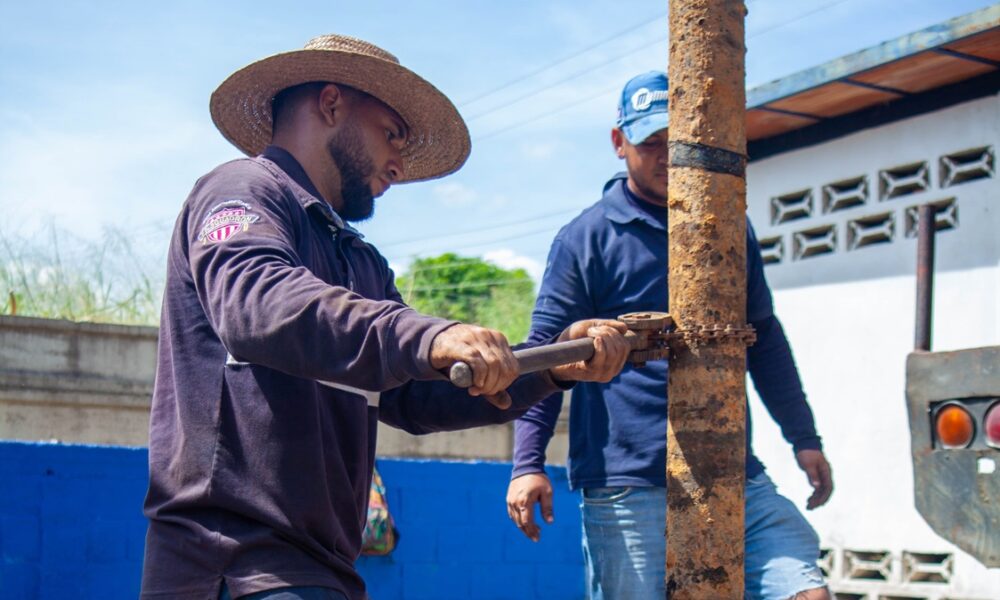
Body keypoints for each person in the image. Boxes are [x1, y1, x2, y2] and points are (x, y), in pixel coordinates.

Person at [140, 35, 632, 600]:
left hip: (320, 568)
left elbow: (415, 394)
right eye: (392, 135)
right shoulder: (242, 190)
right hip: (232, 561)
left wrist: (552, 369)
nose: (398, 165)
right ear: (331, 105)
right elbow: (258, 301)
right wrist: (430, 335)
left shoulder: (361, 262)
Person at [505, 71, 835, 600]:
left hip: (733, 472)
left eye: (676, 142)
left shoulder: (729, 226)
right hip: (628, 483)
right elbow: (546, 354)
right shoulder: (586, 239)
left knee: (806, 590)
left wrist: (804, 438)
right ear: (619, 143)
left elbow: (765, 339)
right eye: (649, 142)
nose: (665, 157)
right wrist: (527, 464)